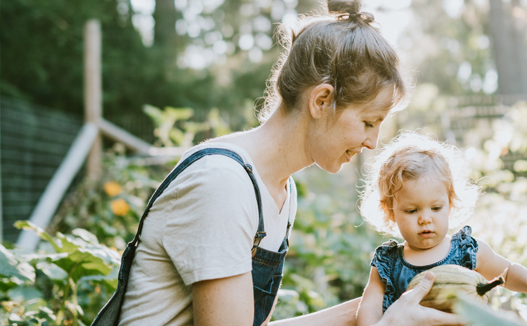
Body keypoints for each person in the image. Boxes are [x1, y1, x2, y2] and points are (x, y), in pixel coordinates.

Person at [116, 1, 463, 325]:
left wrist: (377, 308)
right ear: (322, 100)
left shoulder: (278, 189)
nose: (372, 142)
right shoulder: (224, 185)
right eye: (368, 122)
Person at [356, 133, 527, 326]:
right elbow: (369, 306)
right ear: (390, 211)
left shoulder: (466, 251)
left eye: (436, 208)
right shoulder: (388, 263)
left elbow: (507, 273)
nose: (425, 219)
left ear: (449, 204)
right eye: (411, 210)